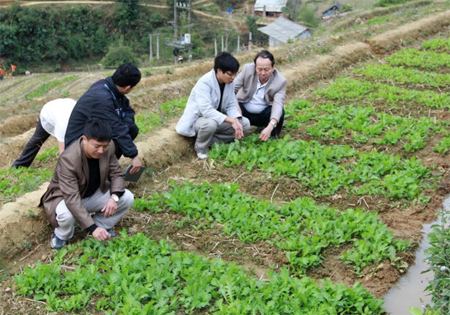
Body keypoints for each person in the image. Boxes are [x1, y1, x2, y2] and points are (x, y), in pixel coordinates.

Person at [40, 118, 134, 249]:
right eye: (97, 146)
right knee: (66, 215)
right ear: (84, 139)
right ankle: (62, 235)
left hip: (91, 193)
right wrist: (92, 228)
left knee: (127, 197)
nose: (101, 151)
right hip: (65, 198)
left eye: (104, 146)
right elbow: (72, 198)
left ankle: (101, 226)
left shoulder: (109, 147)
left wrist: (114, 197)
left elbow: (116, 174)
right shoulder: (68, 159)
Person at [65, 62, 142, 174]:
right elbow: (117, 129)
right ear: (128, 87)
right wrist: (134, 156)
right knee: (117, 136)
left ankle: (106, 166)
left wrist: (125, 124)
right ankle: (96, 172)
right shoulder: (101, 98)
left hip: (95, 135)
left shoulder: (111, 89)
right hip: (79, 145)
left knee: (131, 129)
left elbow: (128, 111)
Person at [176, 52, 250, 159]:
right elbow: (206, 111)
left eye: (235, 74)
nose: (234, 77)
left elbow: (232, 104)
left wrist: (236, 120)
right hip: (200, 120)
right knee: (210, 124)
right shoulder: (205, 83)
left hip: (217, 119)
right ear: (219, 71)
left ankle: (212, 141)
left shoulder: (229, 82)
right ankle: (201, 149)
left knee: (245, 124)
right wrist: (231, 121)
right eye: (230, 74)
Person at [235, 50, 287, 141]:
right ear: (255, 67)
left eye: (266, 70)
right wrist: (236, 111)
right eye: (259, 69)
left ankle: (271, 135)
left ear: (273, 67)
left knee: (280, 112)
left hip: (263, 115)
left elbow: (278, 104)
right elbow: (231, 89)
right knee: (228, 105)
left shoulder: (280, 81)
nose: (263, 73)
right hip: (243, 111)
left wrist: (271, 126)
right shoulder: (247, 69)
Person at [11, 98, 76, 168]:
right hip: (48, 112)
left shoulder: (84, 118)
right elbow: (63, 152)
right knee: (37, 140)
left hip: (67, 105)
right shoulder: (63, 125)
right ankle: (19, 165)